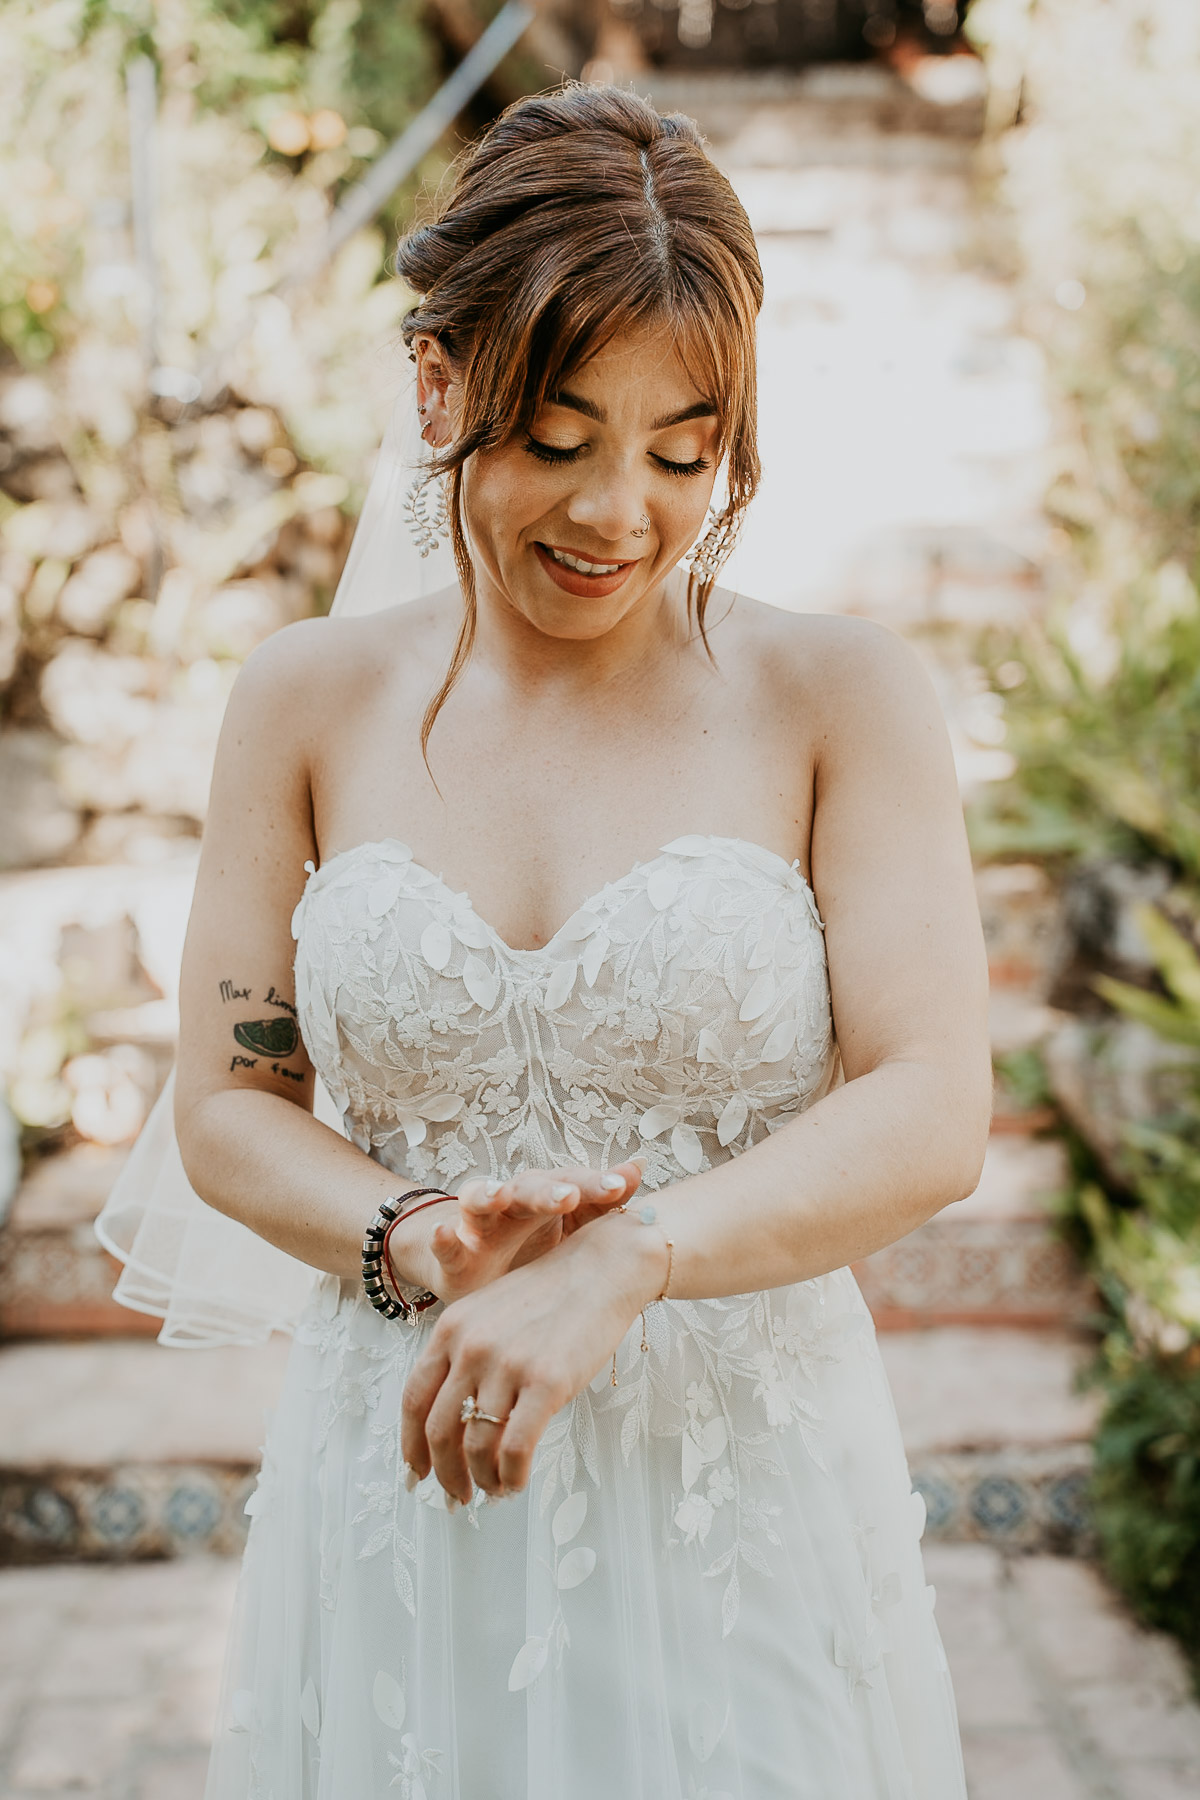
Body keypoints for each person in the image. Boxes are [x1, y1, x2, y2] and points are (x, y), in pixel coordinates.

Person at [165, 81, 990, 1799]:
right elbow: (230, 1110)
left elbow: (932, 1103)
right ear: (439, 385)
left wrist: (636, 1253)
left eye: (683, 451)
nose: (622, 509)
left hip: (736, 1492)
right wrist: (418, 1233)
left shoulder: (840, 698)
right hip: (402, 1479)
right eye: (560, 438)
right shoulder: (302, 703)